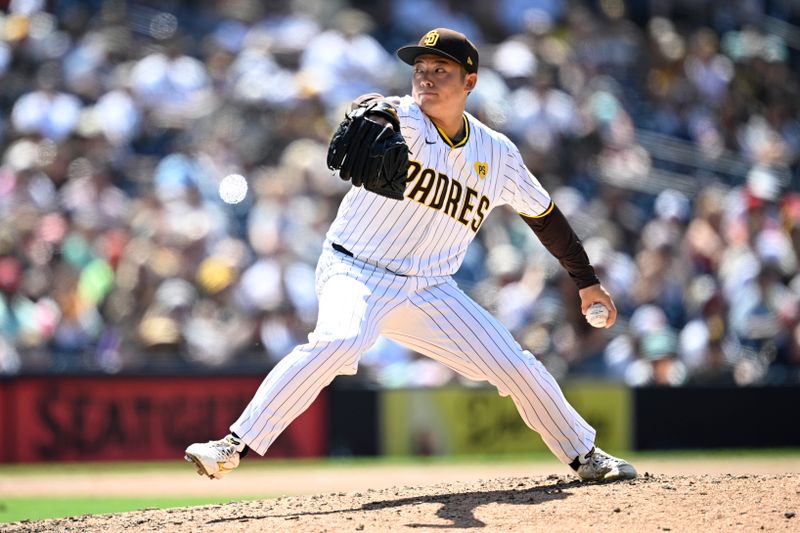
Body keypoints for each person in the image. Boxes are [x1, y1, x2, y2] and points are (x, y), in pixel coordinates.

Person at [185, 28, 637, 483]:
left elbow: (544, 216)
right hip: (355, 269)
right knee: (341, 340)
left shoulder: (497, 154)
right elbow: (378, 108)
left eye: (441, 70)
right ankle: (233, 445)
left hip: (429, 289)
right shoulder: (404, 119)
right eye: (420, 70)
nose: (426, 78)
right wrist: (375, 111)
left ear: (470, 82)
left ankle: (585, 456)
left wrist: (585, 281)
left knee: (515, 364)